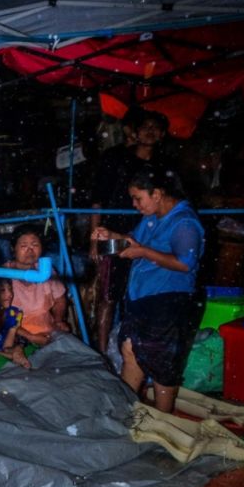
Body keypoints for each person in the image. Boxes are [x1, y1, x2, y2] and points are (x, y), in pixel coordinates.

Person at [92, 167, 204, 413]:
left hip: (169, 301)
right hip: (142, 299)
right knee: (130, 349)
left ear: (157, 194)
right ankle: (126, 409)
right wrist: (110, 235)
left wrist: (143, 252)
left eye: (138, 198)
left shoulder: (184, 222)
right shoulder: (153, 218)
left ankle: (163, 418)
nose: (135, 204)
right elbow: (134, 240)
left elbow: (185, 263)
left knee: (162, 362)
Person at [89, 109, 169, 353]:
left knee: (141, 294)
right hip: (115, 234)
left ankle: (133, 350)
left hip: (150, 238)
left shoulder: (164, 165)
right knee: (109, 295)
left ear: (163, 134)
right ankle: (103, 352)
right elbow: (97, 199)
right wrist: (94, 239)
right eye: (145, 126)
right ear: (134, 131)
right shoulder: (116, 158)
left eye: (156, 127)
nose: (150, 131)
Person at [5, 226, 70, 346]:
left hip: (47, 331)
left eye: (35, 245)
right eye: (24, 246)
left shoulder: (45, 270)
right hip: (15, 336)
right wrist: (31, 337)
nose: (30, 250)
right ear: (13, 249)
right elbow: (1, 317)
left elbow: (60, 299)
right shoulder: (3, 273)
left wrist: (58, 320)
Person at [0, 280, 31, 369]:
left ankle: (16, 355)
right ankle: (15, 355)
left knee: (18, 344)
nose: (10, 294)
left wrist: (14, 330)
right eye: (3, 290)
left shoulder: (14, 313)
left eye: (10, 289)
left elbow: (7, 347)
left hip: (7, 345)